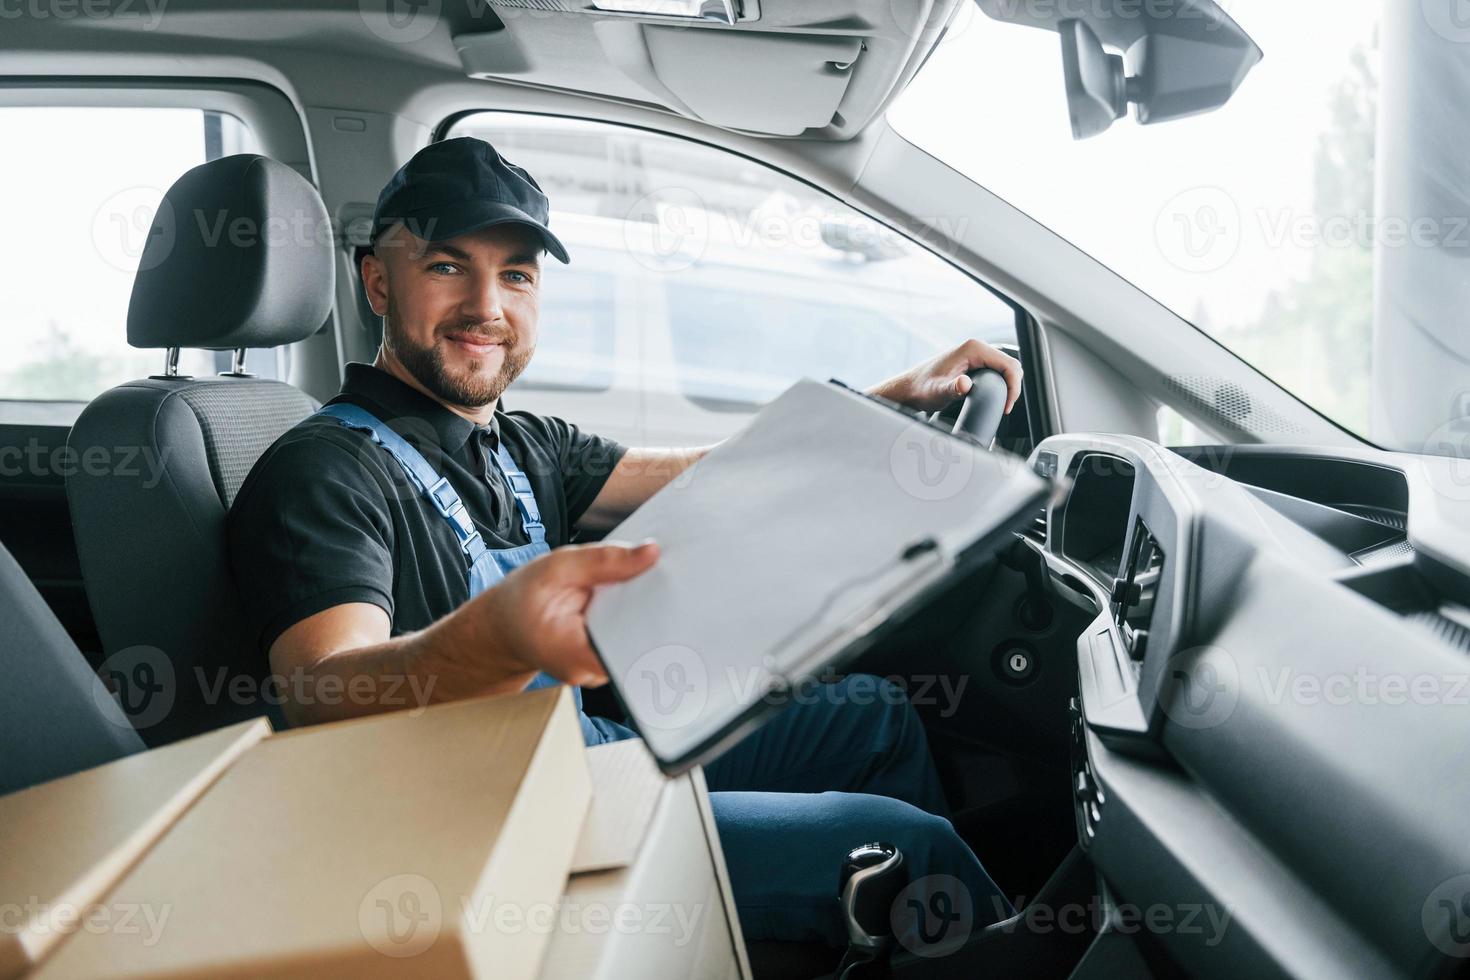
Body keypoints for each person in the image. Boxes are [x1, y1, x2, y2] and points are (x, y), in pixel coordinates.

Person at [227, 137, 1024, 950]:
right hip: (480, 826)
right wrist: (497, 634)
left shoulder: (523, 445)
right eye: (445, 267)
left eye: (516, 275)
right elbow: (322, 691)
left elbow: (724, 477)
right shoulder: (325, 470)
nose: (486, 307)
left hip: (577, 756)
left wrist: (899, 398)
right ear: (376, 282)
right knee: (904, 846)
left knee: (872, 718)